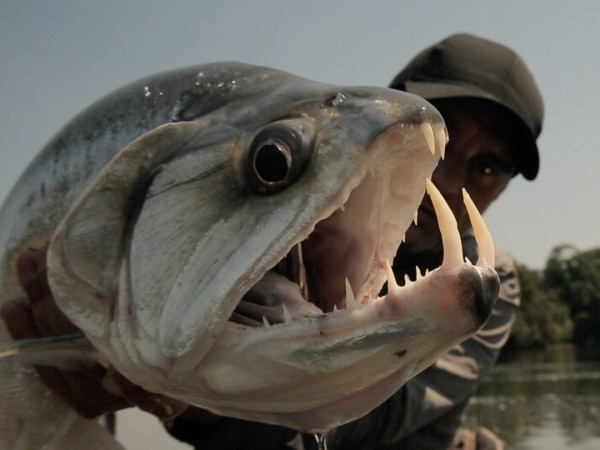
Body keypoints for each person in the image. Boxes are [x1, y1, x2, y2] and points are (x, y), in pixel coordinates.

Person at [1, 33, 543, 449]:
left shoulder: (492, 278)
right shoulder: (286, 224)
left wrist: (196, 406)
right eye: (273, 164)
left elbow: (374, 416)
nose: (449, 182)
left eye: (489, 166)